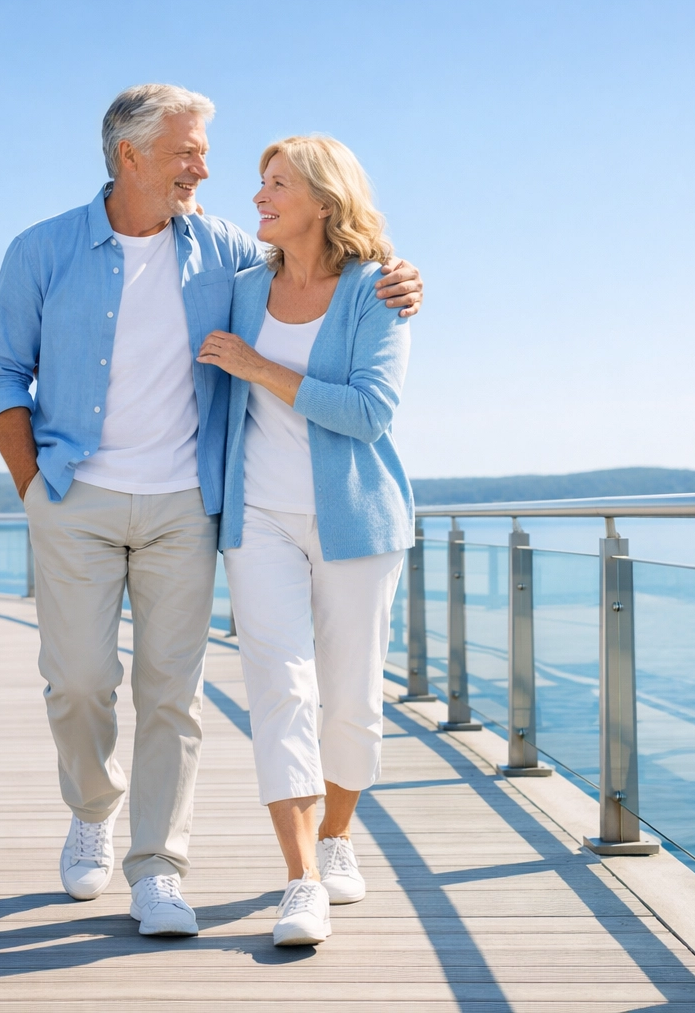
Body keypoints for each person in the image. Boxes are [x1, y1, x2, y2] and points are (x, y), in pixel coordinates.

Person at [0, 87, 422, 937]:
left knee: (173, 694)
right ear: (130, 155)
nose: (205, 169)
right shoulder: (41, 252)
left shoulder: (225, 253)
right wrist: (34, 488)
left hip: (190, 503)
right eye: (187, 152)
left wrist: (397, 273)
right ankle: (92, 807)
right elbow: (1, 375)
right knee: (77, 685)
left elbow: (328, 277)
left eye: (205, 153)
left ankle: (159, 870)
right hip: (77, 494)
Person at [195, 135, 413, 946]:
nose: (259, 196)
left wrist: (259, 369)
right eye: (259, 182)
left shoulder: (376, 290)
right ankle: (302, 878)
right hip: (261, 519)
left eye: (277, 183)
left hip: (356, 521)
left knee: (350, 697)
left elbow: (368, 413)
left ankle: (339, 836)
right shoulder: (241, 287)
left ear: (323, 200)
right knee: (282, 688)